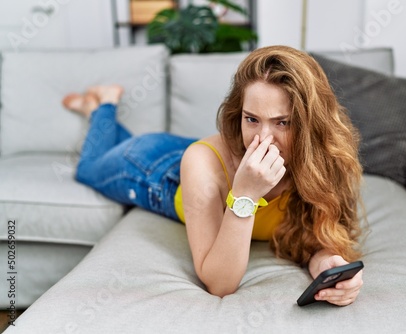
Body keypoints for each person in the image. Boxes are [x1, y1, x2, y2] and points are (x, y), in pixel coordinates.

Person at [62, 45, 364, 306]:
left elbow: (312, 240)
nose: (263, 140)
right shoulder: (202, 161)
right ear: (239, 114)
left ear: (310, 122)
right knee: (88, 168)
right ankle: (103, 105)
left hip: (189, 158)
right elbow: (220, 284)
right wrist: (245, 195)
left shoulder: (322, 160)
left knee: (110, 153)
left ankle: (105, 120)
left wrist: (328, 265)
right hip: (151, 169)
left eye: (282, 122)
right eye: (252, 119)